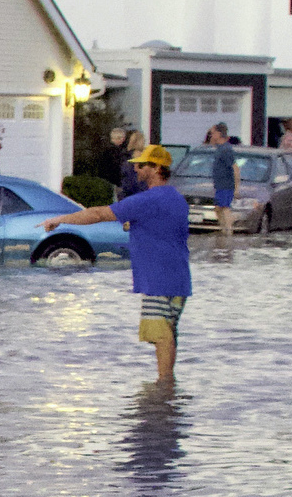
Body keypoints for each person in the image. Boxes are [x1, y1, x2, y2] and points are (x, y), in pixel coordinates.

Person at [45, 143, 191, 386]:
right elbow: (162, 227)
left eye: (142, 165)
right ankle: (167, 389)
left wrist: (60, 219)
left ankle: (165, 387)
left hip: (158, 278)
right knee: (166, 332)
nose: (136, 169)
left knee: (160, 334)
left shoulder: (149, 199)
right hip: (178, 277)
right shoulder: (176, 198)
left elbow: (99, 214)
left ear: (156, 168)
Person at [202, 122, 237, 242]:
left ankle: (228, 231)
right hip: (220, 185)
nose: (210, 135)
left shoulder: (226, 149)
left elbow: (235, 168)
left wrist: (236, 188)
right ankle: (224, 229)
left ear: (218, 133)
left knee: (224, 207)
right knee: (218, 208)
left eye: (212, 133)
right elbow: (208, 143)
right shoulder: (219, 148)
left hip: (226, 185)